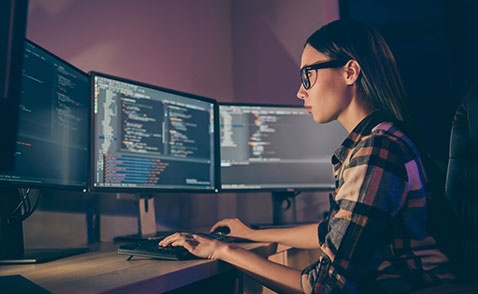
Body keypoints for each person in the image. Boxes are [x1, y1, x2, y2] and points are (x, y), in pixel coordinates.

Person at [160, 19, 455, 294]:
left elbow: (324, 286)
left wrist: (221, 250)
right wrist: (252, 234)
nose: (300, 91)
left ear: (350, 72)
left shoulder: (377, 151)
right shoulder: (380, 139)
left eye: (308, 75)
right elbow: (332, 231)